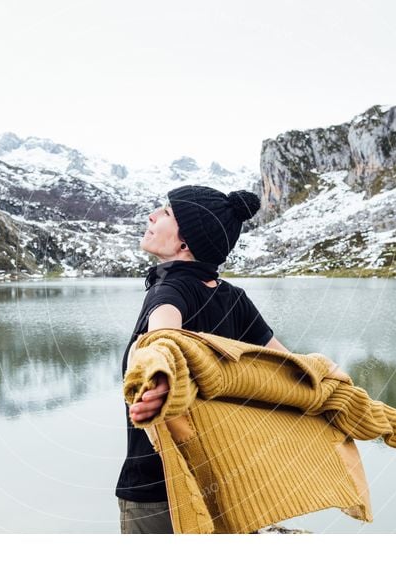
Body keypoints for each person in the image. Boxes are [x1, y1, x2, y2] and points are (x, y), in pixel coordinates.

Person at [116, 184, 291, 534]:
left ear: (185, 243)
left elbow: (162, 340)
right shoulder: (234, 298)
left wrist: (160, 374)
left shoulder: (169, 291)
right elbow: (289, 370)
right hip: (225, 486)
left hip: (157, 490)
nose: (152, 215)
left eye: (165, 213)